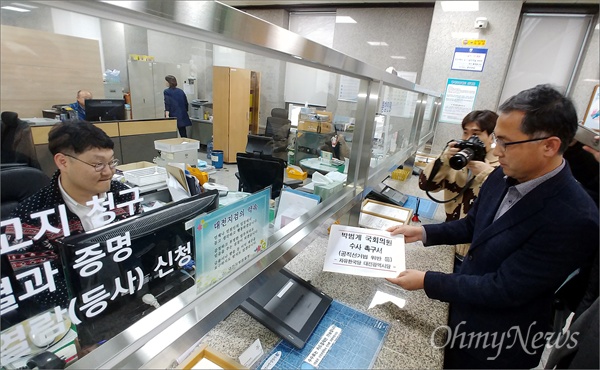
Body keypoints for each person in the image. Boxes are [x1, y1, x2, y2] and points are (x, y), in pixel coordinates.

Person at [386, 84, 599, 369]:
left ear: (550, 145)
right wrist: (424, 232)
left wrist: (426, 280)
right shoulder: (502, 175)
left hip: (499, 344)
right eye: (496, 139)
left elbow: (505, 288)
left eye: (506, 143)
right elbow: (474, 225)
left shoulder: (575, 217)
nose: (496, 151)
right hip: (461, 317)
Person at [2, 120, 141, 324]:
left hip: (128, 298)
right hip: (75, 318)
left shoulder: (125, 197)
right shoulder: (28, 221)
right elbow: (45, 292)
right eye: (98, 165)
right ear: (63, 162)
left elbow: (139, 249)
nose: (109, 172)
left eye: (112, 162)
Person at [418, 110, 499, 265]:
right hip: (451, 243)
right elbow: (426, 185)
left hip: (478, 252)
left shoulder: (500, 168)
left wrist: (486, 174)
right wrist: (444, 160)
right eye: (465, 133)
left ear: (492, 136)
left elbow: (503, 204)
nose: (469, 139)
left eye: (476, 134)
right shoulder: (457, 162)